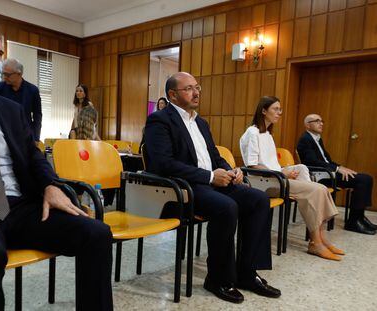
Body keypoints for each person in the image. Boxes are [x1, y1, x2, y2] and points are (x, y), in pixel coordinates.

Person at [0, 19, 113, 311]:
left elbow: (33, 157)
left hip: (19, 206)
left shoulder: (10, 109)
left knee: (96, 234)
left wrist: (50, 185)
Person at [145, 72, 281, 304]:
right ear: (172, 95)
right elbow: (163, 164)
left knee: (258, 199)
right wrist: (209, 177)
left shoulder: (201, 122)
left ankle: (246, 273)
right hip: (185, 186)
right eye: (188, 88)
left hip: (212, 182)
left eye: (197, 87)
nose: (196, 92)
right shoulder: (160, 120)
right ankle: (218, 278)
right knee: (226, 207)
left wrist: (232, 170)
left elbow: (215, 157)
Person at [240, 96, 343, 261]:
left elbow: (271, 164)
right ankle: (316, 242)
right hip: (263, 182)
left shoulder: (267, 133)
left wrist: (284, 171)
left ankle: (320, 237)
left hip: (275, 177)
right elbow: (252, 166)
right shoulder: (253, 132)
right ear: (263, 111)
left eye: (280, 109)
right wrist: (282, 174)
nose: (279, 113)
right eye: (276, 109)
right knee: (315, 191)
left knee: (317, 185)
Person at [297, 114, 376, 235]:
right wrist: (337, 169)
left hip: (329, 173)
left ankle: (359, 217)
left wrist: (340, 167)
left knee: (366, 178)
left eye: (322, 121)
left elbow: (327, 160)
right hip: (321, 177)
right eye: (317, 121)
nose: (321, 123)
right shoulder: (305, 139)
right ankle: (353, 222)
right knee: (363, 180)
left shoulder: (317, 138)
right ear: (308, 125)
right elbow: (312, 162)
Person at [0, 58, 42, 142]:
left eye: (7, 75)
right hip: (4, 135)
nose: (4, 78)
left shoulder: (33, 90)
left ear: (19, 74)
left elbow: (37, 115)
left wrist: (35, 137)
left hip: (25, 136)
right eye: (3, 74)